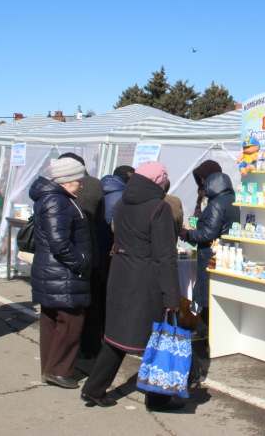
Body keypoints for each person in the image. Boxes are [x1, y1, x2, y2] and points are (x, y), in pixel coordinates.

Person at [81, 161, 181, 410]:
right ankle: (157, 397)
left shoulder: (123, 201)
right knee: (158, 336)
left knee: (117, 336)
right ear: (160, 182)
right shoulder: (159, 208)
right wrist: (172, 295)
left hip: (121, 272)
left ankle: (93, 388)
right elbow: (165, 255)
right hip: (146, 278)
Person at [29, 157, 92, 389]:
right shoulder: (57, 202)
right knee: (70, 321)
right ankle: (58, 369)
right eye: (78, 180)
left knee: (51, 320)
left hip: (52, 272)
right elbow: (60, 243)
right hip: (62, 273)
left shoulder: (53, 199)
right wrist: (80, 264)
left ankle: (50, 366)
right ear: (66, 181)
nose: (81, 185)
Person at [180, 172, 240, 339]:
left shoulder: (216, 204)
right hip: (226, 251)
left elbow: (209, 233)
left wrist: (188, 235)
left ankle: (205, 332)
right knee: (218, 292)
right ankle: (211, 331)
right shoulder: (233, 200)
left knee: (207, 292)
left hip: (211, 253)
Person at [56, 152, 105, 358]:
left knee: (67, 300)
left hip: (67, 246)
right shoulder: (96, 184)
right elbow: (100, 218)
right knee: (91, 298)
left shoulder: (59, 187)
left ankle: (66, 347)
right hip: (91, 246)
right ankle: (91, 345)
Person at [93, 165, 133, 334]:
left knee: (98, 290)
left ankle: (98, 328)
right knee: (110, 290)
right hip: (112, 249)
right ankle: (109, 329)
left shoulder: (98, 191)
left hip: (96, 246)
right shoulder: (123, 197)